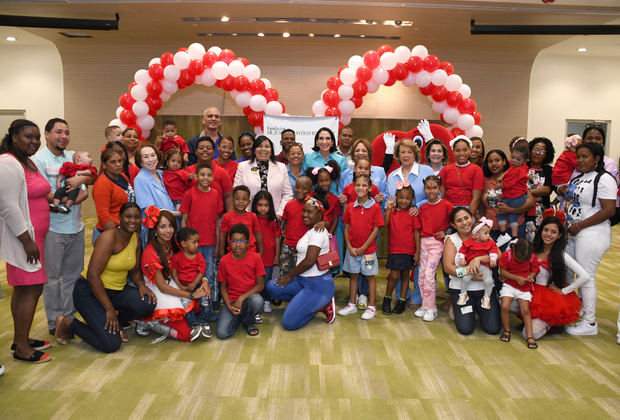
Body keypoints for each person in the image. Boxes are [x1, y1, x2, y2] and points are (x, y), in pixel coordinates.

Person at [54, 203, 156, 352]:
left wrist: (141, 285)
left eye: (136, 217)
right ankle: (69, 323)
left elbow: (134, 271)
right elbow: (93, 276)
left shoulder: (136, 238)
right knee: (111, 344)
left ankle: (111, 323)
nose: (132, 220)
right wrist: (109, 309)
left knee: (148, 303)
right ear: (120, 218)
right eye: (128, 216)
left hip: (116, 292)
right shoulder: (108, 237)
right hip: (89, 292)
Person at [34, 118, 92, 336]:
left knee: (72, 276)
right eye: (58, 132)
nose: (63, 136)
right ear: (47, 134)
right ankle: (53, 322)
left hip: (76, 227)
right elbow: (44, 193)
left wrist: (74, 194)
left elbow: (86, 188)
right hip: (52, 229)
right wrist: (72, 194)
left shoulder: (73, 156)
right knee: (51, 279)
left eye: (66, 132)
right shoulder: (38, 160)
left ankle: (68, 319)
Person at [1, 120, 52, 363]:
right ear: (13, 137)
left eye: (36, 137)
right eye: (27, 137)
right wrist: (26, 241)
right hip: (24, 239)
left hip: (34, 237)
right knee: (30, 289)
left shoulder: (26, 161)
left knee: (25, 289)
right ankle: (22, 347)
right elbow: (8, 206)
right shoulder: (8, 162)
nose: (33, 141)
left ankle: (21, 337)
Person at [563, 142, 616, 336]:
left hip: (592, 233)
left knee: (586, 277)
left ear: (597, 159)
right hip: (575, 232)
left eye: (585, 156)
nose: (580, 160)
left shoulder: (604, 179)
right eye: (578, 157)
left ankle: (590, 323)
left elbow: (609, 210)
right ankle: (577, 313)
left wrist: (580, 225)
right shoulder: (579, 177)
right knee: (571, 274)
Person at [267, 193, 336, 330]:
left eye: (310, 212)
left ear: (320, 215)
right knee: (272, 287)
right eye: (304, 211)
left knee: (289, 324)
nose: (305, 214)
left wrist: (289, 275)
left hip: (318, 285)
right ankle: (309, 303)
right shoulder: (311, 229)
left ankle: (322, 303)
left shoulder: (317, 232)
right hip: (302, 281)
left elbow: (309, 261)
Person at [141, 207, 209, 342]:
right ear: (154, 230)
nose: (168, 230)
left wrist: (205, 281)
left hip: (174, 283)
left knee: (197, 305)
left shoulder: (172, 243)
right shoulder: (150, 254)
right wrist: (190, 295)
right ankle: (149, 322)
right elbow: (162, 287)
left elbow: (195, 262)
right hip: (158, 288)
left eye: (171, 226)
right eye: (163, 227)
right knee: (187, 334)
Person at [526, 209, 589, 340]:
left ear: (559, 235)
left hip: (549, 297)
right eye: (546, 230)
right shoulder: (533, 249)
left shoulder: (561, 255)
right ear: (541, 230)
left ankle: (551, 323)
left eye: (553, 232)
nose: (548, 234)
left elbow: (584, 276)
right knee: (507, 302)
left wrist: (564, 291)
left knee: (529, 334)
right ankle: (536, 321)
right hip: (531, 292)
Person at [386, 139, 434, 306]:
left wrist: (417, 206)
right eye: (402, 152)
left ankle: (418, 297)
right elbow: (389, 200)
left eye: (409, 152)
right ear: (397, 155)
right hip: (401, 228)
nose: (405, 155)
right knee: (401, 262)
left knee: (420, 262)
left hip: (425, 224)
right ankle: (401, 295)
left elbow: (435, 194)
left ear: (415, 154)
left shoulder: (426, 170)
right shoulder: (392, 176)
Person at [443, 207, 502, 335]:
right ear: (453, 224)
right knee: (466, 329)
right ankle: (460, 307)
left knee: (493, 329)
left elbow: (498, 255)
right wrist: (469, 273)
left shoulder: (482, 233)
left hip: (484, 289)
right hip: (461, 289)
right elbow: (448, 267)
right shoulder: (451, 240)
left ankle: (477, 309)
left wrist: (478, 259)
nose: (464, 222)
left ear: (472, 218)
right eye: (459, 221)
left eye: (466, 218)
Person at [338, 174, 384, 320]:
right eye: (358, 185)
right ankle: (352, 304)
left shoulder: (375, 207)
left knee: (370, 277)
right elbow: (346, 227)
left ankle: (371, 307)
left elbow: (376, 230)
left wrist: (364, 247)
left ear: (370, 188)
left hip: (368, 252)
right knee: (353, 276)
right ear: (353, 187)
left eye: (364, 185)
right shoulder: (350, 207)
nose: (361, 188)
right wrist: (350, 246)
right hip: (353, 251)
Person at [180, 162, 223, 302]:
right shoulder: (189, 194)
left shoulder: (215, 194)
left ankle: (208, 305)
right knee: (193, 275)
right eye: (202, 174)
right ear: (196, 176)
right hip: (192, 245)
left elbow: (217, 222)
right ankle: (195, 305)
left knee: (209, 275)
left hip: (210, 243)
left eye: (209, 175)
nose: (206, 177)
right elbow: (184, 220)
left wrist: (217, 244)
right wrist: (184, 242)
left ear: (213, 177)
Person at [216, 224, 266, 338]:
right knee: (222, 334)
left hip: (249, 299)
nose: (238, 245)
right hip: (232, 301)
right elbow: (223, 286)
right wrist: (229, 306)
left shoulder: (256, 258)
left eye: (242, 241)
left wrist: (242, 298)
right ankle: (240, 318)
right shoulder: (224, 260)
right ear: (229, 243)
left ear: (248, 243)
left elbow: (260, 285)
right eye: (234, 241)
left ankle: (248, 320)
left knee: (258, 301)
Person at [417, 176, 453, 321]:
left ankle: (432, 308)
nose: (431, 191)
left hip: (437, 244)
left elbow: (455, 222)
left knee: (429, 275)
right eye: (428, 188)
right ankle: (425, 306)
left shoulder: (447, 205)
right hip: (423, 243)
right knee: (421, 276)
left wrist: (447, 233)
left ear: (439, 188)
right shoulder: (422, 207)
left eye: (434, 187)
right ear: (424, 189)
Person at [382, 181, 420, 316]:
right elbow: (385, 224)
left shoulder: (412, 213)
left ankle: (402, 301)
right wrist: (388, 209)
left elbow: (416, 233)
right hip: (395, 250)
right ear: (396, 198)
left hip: (409, 250)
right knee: (394, 275)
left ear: (411, 199)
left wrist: (417, 251)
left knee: (405, 276)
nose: (404, 201)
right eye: (401, 197)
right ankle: (387, 299)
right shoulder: (393, 212)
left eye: (407, 198)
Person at [481, 149, 534, 246]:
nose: (494, 164)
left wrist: (510, 210)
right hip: (491, 229)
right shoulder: (484, 181)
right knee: (494, 259)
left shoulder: (515, 176)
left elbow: (530, 203)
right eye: (490, 161)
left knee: (513, 259)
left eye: (497, 160)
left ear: (504, 161)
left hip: (514, 229)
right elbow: (480, 205)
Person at [234, 135, 293, 217]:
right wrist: (246, 212)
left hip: (274, 217)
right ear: (254, 150)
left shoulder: (281, 167)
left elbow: (288, 194)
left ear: (271, 150)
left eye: (267, 146)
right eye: (260, 146)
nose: (263, 149)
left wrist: (280, 212)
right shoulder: (243, 166)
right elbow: (237, 192)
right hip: (249, 215)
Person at [170, 227, 212, 340]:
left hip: (197, 285)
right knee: (186, 306)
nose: (197, 245)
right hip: (184, 288)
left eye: (198, 242)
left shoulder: (199, 256)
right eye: (194, 242)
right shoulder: (177, 257)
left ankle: (204, 322)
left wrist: (194, 284)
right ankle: (194, 325)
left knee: (205, 301)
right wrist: (180, 287)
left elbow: (201, 271)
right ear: (183, 244)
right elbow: (174, 273)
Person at [133, 143, 179, 245]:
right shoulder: (140, 179)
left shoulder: (163, 174)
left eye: (153, 155)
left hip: (172, 226)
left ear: (157, 157)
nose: (150, 159)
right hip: (156, 230)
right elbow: (150, 211)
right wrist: (179, 213)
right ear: (140, 162)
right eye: (146, 157)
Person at [498, 239, 540, 349]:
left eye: (523, 260)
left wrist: (531, 276)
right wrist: (516, 278)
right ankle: (507, 330)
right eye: (518, 259)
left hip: (524, 288)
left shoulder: (532, 257)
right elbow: (502, 272)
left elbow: (534, 270)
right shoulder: (507, 255)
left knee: (525, 310)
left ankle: (530, 336)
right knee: (504, 306)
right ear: (513, 249)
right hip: (509, 285)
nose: (521, 262)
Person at [92, 148, 135, 244]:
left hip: (124, 230)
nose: (118, 165)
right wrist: (117, 237)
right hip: (110, 234)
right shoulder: (102, 183)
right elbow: (103, 214)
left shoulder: (123, 177)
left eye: (120, 161)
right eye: (113, 162)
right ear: (104, 165)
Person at [457, 218, 499, 308]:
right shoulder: (468, 242)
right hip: (470, 268)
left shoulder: (490, 243)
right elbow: (462, 251)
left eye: (489, 233)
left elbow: (494, 252)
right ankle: (463, 294)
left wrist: (492, 259)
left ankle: (486, 297)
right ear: (476, 235)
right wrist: (461, 259)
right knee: (465, 279)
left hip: (485, 267)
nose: (488, 236)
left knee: (489, 281)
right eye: (486, 233)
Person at [495, 142, 530, 245]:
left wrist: (497, 187)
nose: (514, 160)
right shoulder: (517, 166)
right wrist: (502, 176)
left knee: (500, 212)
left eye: (518, 159)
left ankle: (503, 234)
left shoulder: (518, 170)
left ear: (524, 161)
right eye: (513, 157)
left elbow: (507, 184)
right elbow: (510, 168)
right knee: (512, 216)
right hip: (518, 196)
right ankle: (514, 237)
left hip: (514, 198)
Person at [439, 136, 484, 216]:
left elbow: (476, 198)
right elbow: (441, 196)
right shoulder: (445, 170)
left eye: (465, 150)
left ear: (469, 150)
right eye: (458, 150)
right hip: (448, 210)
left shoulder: (476, 170)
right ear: (453, 152)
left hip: (468, 210)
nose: (462, 153)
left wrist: (468, 217)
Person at [252, 190, 281, 313]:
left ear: (270, 206)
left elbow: (277, 238)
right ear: (255, 205)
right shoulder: (252, 219)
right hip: (255, 255)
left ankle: (267, 301)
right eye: (260, 205)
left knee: (267, 279)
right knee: (255, 279)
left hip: (269, 256)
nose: (263, 208)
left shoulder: (273, 221)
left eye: (266, 205)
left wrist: (277, 254)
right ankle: (256, 301)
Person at [187, 136, 233, 212]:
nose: (205, 150)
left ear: (214, 153)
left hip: (217, 219)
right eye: (201, 148)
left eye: (208, 148)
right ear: (196, 152)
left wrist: (230, 219)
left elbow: (228, 196)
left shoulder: (222, 173)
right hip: (193, 218)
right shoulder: (188, 172)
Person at [280, 176, 314, 277]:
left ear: (311, 190)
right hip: (288, 246)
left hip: (304, 248)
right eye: (297, 187)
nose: (300, 191)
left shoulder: (313, 206)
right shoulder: (289, 205)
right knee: (285, 274)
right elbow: (285, 223)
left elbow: (322, 222)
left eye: (304, 188)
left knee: (302, 275)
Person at [526, 137, 555, 235]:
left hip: (541, 213)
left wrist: (526, 192)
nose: (538, 153)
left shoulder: (549, 170)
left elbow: (547, 189)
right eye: (535, 149)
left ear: (547, 154)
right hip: (521, 210)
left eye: (542, 151)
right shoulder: (522, 166)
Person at [306, 161, 341, 235]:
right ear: (317, 182)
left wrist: (330, 234)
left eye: (327, 180)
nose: (324, 183)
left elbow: (335, 219)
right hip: (311, 233)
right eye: (321, 181)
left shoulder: (335, 199)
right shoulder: (311, 197)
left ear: (331, 180)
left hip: (327, 234)